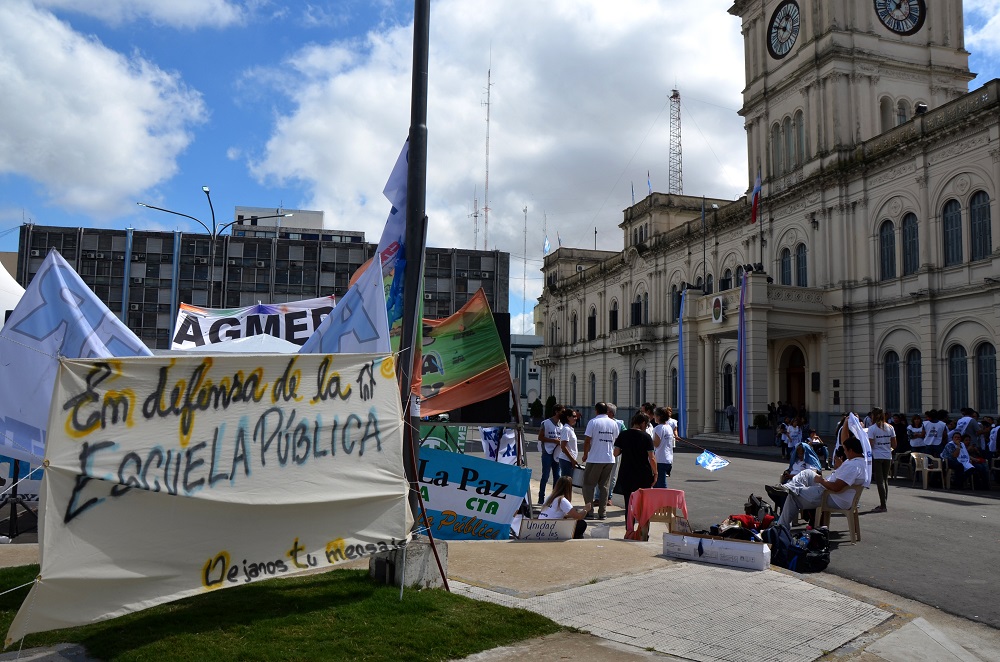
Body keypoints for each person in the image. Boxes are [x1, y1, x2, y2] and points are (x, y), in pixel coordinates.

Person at [774, 435, 867, 530]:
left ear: (851, 450)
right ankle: (788, 487)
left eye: (845, 450)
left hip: (832, 496)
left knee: (792, 496)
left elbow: (836, 487)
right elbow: (844, 479)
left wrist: (821, 481)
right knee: (807, 473)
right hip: (832, 491)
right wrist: (839, 468)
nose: (844, 453)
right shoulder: (859, 462)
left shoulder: (853, 466)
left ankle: (781, 529)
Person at [612, 412, 657, 514]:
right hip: (643, 473)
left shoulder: (623, 435)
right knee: (643, 503)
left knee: (629, 503)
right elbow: (652, 458)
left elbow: (615, 453)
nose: (646, 427)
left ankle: (629, 528)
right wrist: (655, 473)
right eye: (646, 425)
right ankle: (643, 527)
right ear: (642, 423)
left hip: (626, 472)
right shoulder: (646, 437)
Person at [581, 402, 619, 520]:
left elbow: (587, 440)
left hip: (595, 458)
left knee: (588, 485)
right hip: (609, 458)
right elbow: (616, 440)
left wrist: (585, 454)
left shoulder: (593, 422)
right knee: (604, 486)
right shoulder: (613, 423)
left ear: (596, 410)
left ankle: (589, 511)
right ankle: (602, 512)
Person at [866, 407, 896, 513]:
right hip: (887, 455)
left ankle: (883, 505)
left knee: (879, 481)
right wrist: (888, 448)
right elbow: (894, 444)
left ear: (873, 416)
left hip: (877, 456)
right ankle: (884, 502)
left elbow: (871, 444)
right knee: (885, 480)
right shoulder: (890, 427)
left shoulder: (872, 428)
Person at [536, 404, 564, 504]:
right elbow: (540, 437)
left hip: (557, 453)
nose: (563, 414)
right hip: (547, 452)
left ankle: (554, 499)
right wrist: (553, 440)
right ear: (556, 412)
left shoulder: (561, 425)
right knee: (545, 476)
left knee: (557, 476)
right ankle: (541, 497)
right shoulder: (546, 423)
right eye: (562, 411)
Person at [652, 406, 676, 488]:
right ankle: (657, 499)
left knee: (660, 482)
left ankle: (664, 500)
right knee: (657, 482)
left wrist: (648, 439)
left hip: (660, 459)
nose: (653, 417)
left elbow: (656, 444)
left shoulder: (658, 428)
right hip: (668, 458)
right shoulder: (668, 427)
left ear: (659, 417)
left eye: (655, 415)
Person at [554, 409, 581, 480]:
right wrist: (572, 459)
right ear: (568, 417)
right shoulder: (566, 429)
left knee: (568, 482)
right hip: (566, 460)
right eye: (574, 416)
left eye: (576, 416)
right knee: (566, 482)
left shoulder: (569, 429)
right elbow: (563, 446)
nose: (576, 418)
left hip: (569, 460)